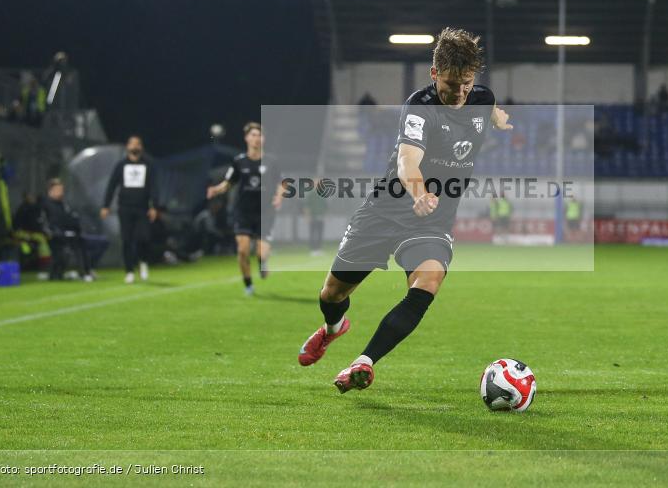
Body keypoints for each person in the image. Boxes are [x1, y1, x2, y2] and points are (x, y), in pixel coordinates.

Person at [296, 27, 512, 393]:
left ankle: (364, 362)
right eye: (451, 84)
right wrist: (419, 192)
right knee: (332, 294)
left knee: (427, 283)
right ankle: (334, 328)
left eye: (467, 83)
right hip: (385, 212)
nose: (460, 93)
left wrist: (497, 118)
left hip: (432, 222)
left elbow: (486, 106)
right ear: (434, 73)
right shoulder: (419, 107)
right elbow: (406, 161)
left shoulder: (480, 97)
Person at [206, 122, 284, 296]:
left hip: (265, 212)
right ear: (247, 138)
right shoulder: (239, 161)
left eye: (260, 135)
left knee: (262, 253)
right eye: (253, 135)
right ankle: (248, 285)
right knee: (242, 250)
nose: (257, 138)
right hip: (243, 212)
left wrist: (279, 196)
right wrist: (215, 189)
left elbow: (282, 183)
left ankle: (263, 262)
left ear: (264, 139)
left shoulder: (272, 161)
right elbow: (228, 183)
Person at [101, 136, 159, 284]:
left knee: (143, 237)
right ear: (127, 147)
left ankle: (143, 262)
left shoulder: (148, 165)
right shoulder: (121, 165)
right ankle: (129, 271)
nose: (135, 146)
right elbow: (112, 185)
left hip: (142, 208)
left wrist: (154, 206)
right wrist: (106, 205)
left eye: (137, 144)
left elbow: (154, 187)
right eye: (132, 143)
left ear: (141, 147)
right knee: (126, 239)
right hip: (125, 207)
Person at [43, 178, 93, 282]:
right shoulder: (45, 205)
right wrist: (54, 232)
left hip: (67, 233)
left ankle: (85, 271)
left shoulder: (64, 204)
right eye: (58, 190)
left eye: (62, 190)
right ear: (50, 191)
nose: (61, 192)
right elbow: (47, 223)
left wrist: (74, 228)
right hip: (54, 235)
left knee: (81, 242)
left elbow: (70, 219)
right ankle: (57, 273)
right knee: (62, 250)